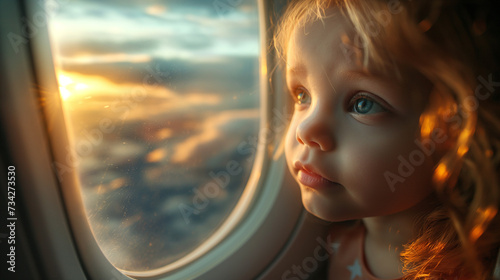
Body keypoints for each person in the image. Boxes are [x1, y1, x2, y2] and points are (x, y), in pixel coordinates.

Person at [274, 0, 500, 279]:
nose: (305, 130)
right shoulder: (335, 241)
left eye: (363, 104)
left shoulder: (471, 271)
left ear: (456, 132)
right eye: (302, 95)